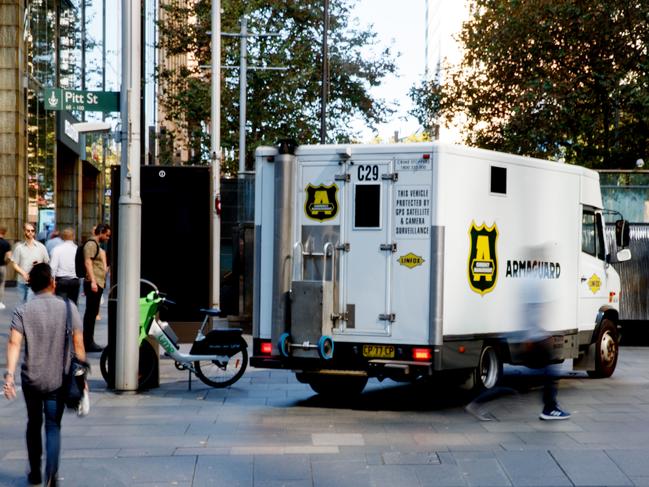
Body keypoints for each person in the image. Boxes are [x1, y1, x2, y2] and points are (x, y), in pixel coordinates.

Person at [3, 263, 86, 487]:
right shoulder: (69, 308)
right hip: (59, 379)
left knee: (33, 423)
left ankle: (35, 472)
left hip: (32, 378)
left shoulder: (22, 310)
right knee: (52, 425)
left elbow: (14, 343)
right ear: (52, 282)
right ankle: (52, 472)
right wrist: (82, 378)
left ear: (31, 285)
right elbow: (79, 345)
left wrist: (9, 376)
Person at [82, 223, 111, 352]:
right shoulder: (91, 244)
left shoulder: (96, 245)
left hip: (98, 282)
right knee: (90, 313)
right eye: (107, 235)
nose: (108, 238)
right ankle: (87, 342)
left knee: (92, 312)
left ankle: (89, 340)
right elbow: (88, 262)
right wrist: (93, 281)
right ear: (101, 232)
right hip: (93, 283)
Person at [10, 223, 49, 302]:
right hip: (22, 281)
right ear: (24, 231)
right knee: (22, 305)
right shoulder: (19, 248)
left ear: (34, 232)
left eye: (32, 230)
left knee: (30, 303)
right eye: (28, 230)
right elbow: (14, 264)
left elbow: (46, 263)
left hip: (36, 281)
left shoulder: (41, 247)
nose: (30, 232)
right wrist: (23, 273)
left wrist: (40, 267)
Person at [50, 228, 80, 304]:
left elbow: (53, 267)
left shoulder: (57, 249)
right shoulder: (78, 250)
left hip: (61, 281)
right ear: (73, 237)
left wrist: (52, 282)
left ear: (62, 237)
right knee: (73, 305)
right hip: (74, 281)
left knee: (61, 306)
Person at [0, 226, 11, 309]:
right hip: (2, 266)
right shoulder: (6, 243)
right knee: (1, 284)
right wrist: (5, 263)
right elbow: (9, 257)